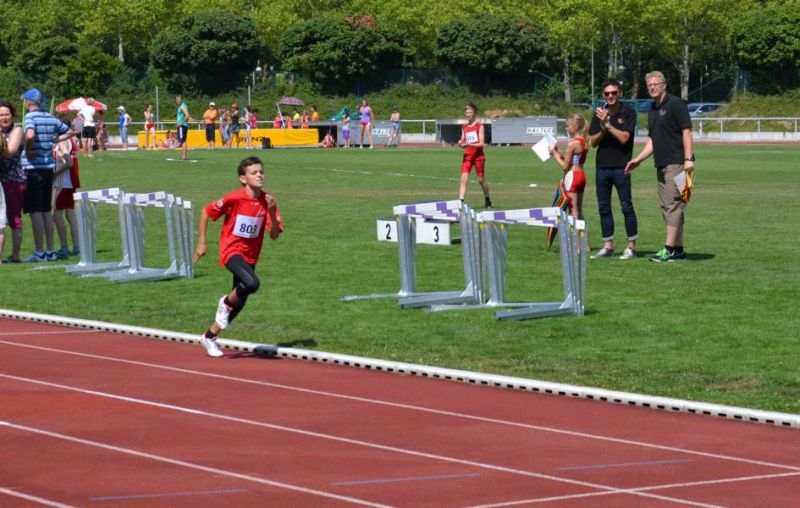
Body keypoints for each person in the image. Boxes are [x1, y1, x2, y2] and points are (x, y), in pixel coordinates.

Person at [193, 156, 283, 358]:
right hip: (231, 251)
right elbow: (206, 212)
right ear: (243, 179)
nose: (259, 175)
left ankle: (209, 336)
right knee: (252, 283)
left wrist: (272, 211)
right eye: (254, 173)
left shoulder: (268, 201)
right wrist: (201, 243)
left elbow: (274, 235)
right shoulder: (234, 198)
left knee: (240, 301)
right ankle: (225, 302)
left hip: (251, 256)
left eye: (261, 172)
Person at [625, 70, 695, 263]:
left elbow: (687, 132)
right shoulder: (652, 110)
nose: (653, 87)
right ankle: (678, 249)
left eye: (656, 83)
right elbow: (653, 140)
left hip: (678, 164)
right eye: (649, 85)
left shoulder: (676, 104)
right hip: (662, 165)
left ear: (664, 85)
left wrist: (689, 159)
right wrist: (638, 159)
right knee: (672, 206)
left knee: (672, 206)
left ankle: (668, 249)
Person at [19, 88, 75, 262]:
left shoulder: (30, 117)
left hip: (33, 168)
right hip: (48, 168)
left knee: (35, 211)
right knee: (45, 210)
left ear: (28, 102)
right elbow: (71, 131)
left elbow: (29, 135)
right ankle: (50, 250)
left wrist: (28, 151)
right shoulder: (50, 117)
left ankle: (39, 251)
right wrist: (53, 140)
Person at [588, 79, 639, 260]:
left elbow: (625, 138)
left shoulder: (629, 112)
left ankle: (631, 247)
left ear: (620, 93)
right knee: (604, 207)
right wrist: (603, 127)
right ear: (603, 95)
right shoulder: (599, 113)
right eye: (607, 93)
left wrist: (608, 124)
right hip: (602, 167)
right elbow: (592, 142)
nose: (610, 96)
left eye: (614, 93)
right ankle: (608, 246)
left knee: (626, 206)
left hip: (621, 166)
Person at [549, 114, 588, 225]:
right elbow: (572, 160)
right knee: (579, 212)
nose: (566, 128)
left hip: (572, 177)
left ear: (575, 127)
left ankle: (577, 241)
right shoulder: (583, 141)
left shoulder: (572, 143)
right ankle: (584, 242)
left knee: (573, 212)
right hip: (581, 175)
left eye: (568, 126)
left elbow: (565, 167)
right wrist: (559, 153)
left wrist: (554, 154)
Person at [0, 101, 25, 263]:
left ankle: (15, 255)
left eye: (6, 114)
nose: (3, 117)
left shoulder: (17, 130)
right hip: (1, 180)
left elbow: (9, 153)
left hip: (13, 179)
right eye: (1, 115)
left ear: (12, 115)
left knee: (14, 219)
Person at [457, 103, 492, 208]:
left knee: (481, 180)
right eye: (466, 112)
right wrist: (460, 143)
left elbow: (481, 144)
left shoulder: (479, 126)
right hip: (467, 156)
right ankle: (461, 203)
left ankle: (487, 199)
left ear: (474, 113)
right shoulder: (464, 126)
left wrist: (469, 144)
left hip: (478, 157)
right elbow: (463, 140)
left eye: (470, 112)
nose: (468, 114)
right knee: (464, 178)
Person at [52, 133, 80, 258]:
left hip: (63, 182)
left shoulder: (62, 141)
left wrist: (54, 174)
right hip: (69, 182)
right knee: (70, 213)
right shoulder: (70, 140)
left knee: (56, 214)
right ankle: (77, 246)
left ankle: (64, 247)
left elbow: (68, 163)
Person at [175, 94, 191, 160]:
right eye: (177, 99)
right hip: (183, 125)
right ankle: (185, 156)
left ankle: (184, 156)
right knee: (183, 140)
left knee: (183, 141)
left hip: (182, 125)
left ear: (181, 99)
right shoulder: (184, 105)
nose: (178, 100)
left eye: (179, 99)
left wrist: (180, 123)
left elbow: (187, 115)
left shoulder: (182, 106)